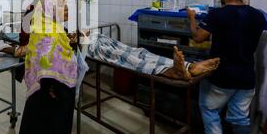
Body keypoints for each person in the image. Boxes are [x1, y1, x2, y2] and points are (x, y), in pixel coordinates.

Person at [187, 0, 266, 134]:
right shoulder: (258, 15)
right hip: (247, 77)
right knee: (240, 117)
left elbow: (197, 38)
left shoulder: (217, 14)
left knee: (210, 109)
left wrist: (191, 19)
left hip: (221, 77)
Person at [10, 0, 77, 134]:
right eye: (62, 5)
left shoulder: (53, 28)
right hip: (50, 99)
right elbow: (45, 63)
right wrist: (54, 89)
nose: (68, 8)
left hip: (48, 96)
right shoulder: (47, 31)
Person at [88, 34, 220, 81]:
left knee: (141, 52)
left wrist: (85, 33)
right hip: (92, 47)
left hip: (101, 39)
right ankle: (173, 71)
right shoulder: (67, 33)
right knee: (126, 57)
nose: (67, 12)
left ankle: (188, 66)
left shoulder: (70, 27)